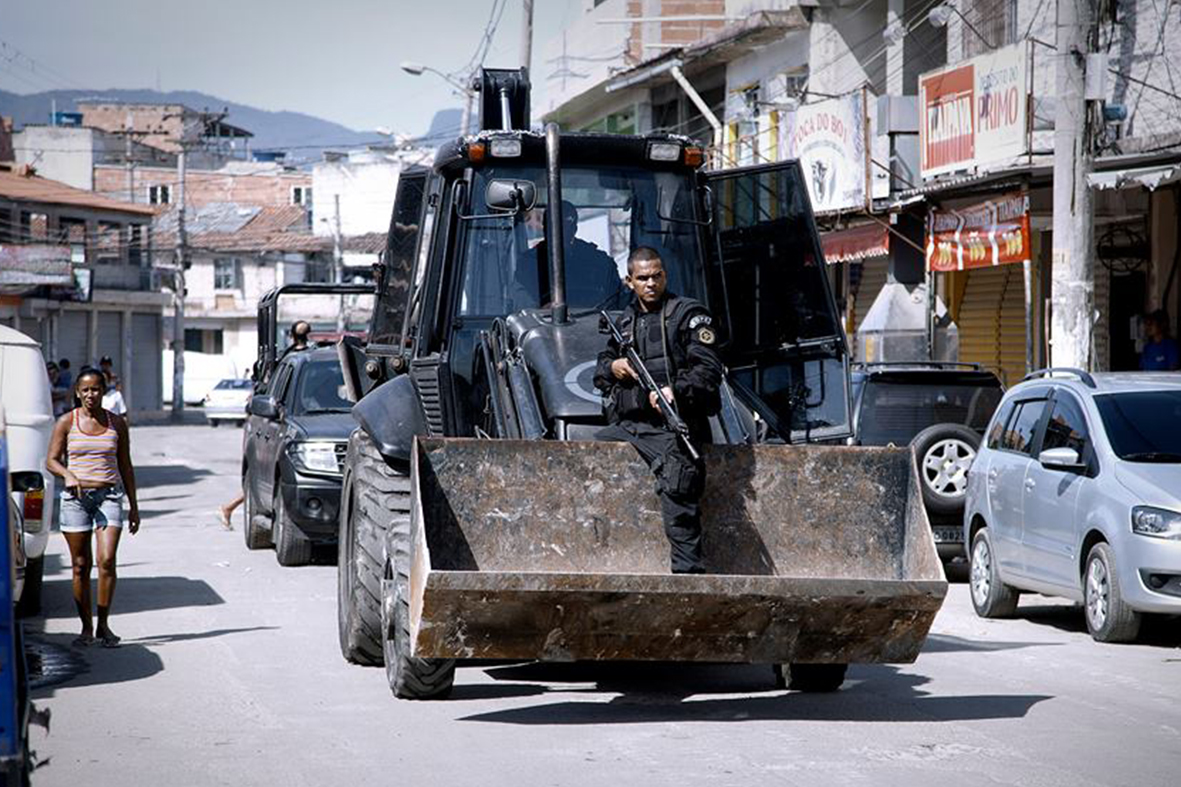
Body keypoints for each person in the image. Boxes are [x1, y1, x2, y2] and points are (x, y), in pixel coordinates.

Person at [594, 247, 723, 574]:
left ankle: (688, 577)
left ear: (665, 275)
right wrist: (615, 366)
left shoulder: (689, 316)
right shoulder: (623, 322)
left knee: (680, 487)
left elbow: (707, 372)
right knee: (586, 459)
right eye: (643, 278)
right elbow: (600, 374)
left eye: (657, 276)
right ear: (629, 281)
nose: (651, 283)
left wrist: (673, 391)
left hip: (674, 425)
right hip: (630, 426)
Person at [46, 368, 140, 648]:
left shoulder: (117, 423)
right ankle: (86, 627)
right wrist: (68, 474)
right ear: (77, 392)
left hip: (109, 496)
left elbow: (126, 465)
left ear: (104, 391)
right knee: (80, 565)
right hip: (76, 500)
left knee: (107, 560)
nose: (90, 394)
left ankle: (104, 625)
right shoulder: (66, 421)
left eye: (96, 389)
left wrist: (134, 506)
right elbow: (51, 460)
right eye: (85, 390)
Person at [518, 201, 625, 310]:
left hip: (595, 323)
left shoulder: (599, 262)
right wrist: (541, 310)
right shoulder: (529, 263)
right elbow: (519, 302)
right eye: (553, 224)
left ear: (574, 229)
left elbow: (616, 302)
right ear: (545, 227)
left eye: (565, 225)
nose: (558, 231)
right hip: (540, 325)